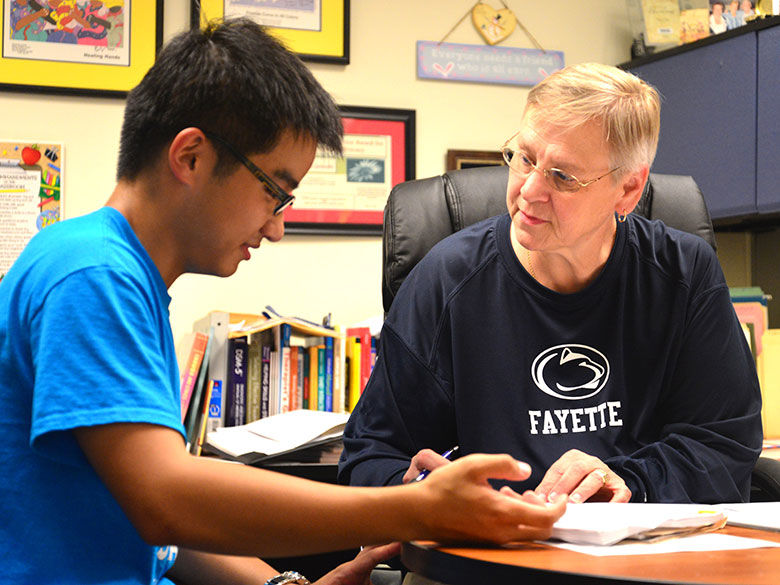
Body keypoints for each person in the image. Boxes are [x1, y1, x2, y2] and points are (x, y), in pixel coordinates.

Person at [0, 18, 566, 585]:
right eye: (274, 190)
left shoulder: (115, 271)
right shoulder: (92, 274)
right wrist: (417, 507)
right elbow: (164, 500)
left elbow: (154, 528)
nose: (276, 229)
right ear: (190, 157)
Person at [339, 63, 763, 508]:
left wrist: (628, 482)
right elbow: (370, 455)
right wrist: (422, 495)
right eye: (524, 158)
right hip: (487, 561)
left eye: (562, 177)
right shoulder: (445, 281)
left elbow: (723, 442)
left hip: (638, 554)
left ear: (628, 190)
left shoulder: (683, 274)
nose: (529, 190)